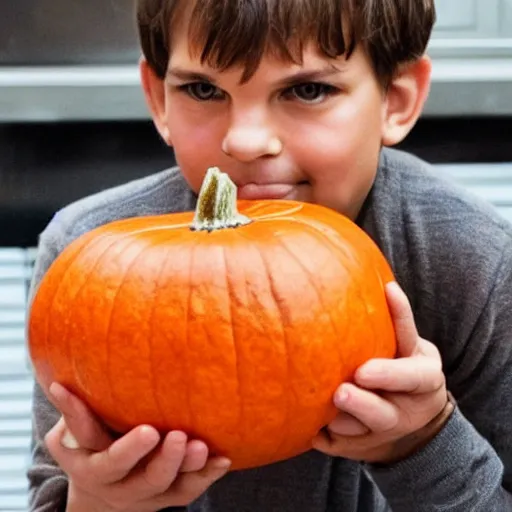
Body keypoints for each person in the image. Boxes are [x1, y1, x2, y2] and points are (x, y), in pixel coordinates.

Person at [26, 0, 512, 510]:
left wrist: (421, 443)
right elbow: (53, 493)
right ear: (158, 100)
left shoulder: (472, 260)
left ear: (397, 100)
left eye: (307, 90)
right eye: (203, 90)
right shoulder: (88, 254)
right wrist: (100, 501)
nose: (246, 141)